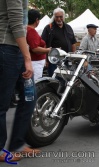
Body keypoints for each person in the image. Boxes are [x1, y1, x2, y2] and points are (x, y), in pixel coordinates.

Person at [0, 0, 40, 162]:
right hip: (7, 49)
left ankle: (17, 143)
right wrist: (27, 57)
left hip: (15, 50)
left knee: (29, 97)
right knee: (2, 103)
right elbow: (16, 23)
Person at [42, 7, 77, 77]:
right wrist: (45, 60)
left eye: (60, 17)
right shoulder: (48, 28)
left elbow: (73, 43)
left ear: (63, 16)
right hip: (54, 60)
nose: (58, 19)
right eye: (57, 17)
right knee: (54, 80)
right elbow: (43, 44)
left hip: (67, 60)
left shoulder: (68, 27)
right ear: (54, 17)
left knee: (66, 79)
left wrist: (74, 57)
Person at [27, 9, 51, 81]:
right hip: (35, 62)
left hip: (34, 61)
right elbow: (35, 49)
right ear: (37, 20)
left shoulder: (27, 29)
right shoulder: (31, 31)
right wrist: (48, 50)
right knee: (36, 82)